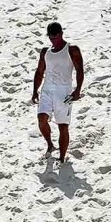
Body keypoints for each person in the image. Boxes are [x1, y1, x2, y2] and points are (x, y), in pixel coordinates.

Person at [32, 22, 84, 161]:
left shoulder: (72, 49)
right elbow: (40, 71)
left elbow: (79, 70)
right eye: (51, 38)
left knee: (62, 126)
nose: (54, 40)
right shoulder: (45, 52)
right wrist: (35, 90)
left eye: (56, 37)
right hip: (47, 90)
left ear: (61, 34)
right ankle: (50, 145)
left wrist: (77, 90)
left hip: (64, 92)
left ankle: (62, 158)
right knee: (41, 119)